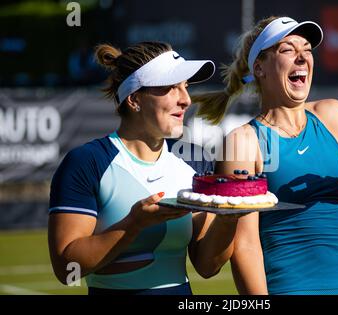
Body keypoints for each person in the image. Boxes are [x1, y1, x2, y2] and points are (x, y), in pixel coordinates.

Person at [192, 16, 338, 295]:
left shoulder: (333, 114)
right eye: (288, 49)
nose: (303, 57)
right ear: (259, 67)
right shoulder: (243, 142)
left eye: (307, 49)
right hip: (293, 287)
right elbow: (245, 245)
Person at [48, 41, 240, 295]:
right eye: (170, 88)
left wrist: (230, 218)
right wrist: (133, 224)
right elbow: (66, 268)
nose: (186, 100)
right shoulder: (86, 162)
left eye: (185, 87)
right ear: (134, 99)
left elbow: (207, 265)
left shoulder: (195, 159)